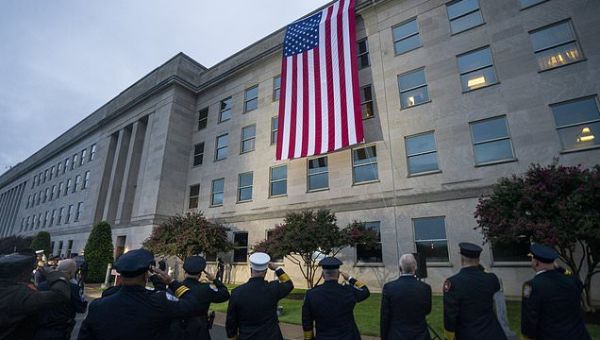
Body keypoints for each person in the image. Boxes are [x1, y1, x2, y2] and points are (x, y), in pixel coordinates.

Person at [77, 248, 203, 340]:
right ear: (145, 275)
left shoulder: (98, 306)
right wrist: (171, 282)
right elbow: (192, 305)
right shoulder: (159, 302)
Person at [521, 244, 591, 340]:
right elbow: (577, 282)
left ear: (536, 262)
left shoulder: (531, 286)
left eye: (532, 258)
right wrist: (560, 269)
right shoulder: (571, 280)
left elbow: (529, 319)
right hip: (578, 335)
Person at [0, 250, 71, 339]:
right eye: (29, 272)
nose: (30, 275)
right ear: (22, 274)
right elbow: (60, 295)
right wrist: (55, 274)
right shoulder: (20, 295)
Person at [443, 242, 506, 340]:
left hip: (468, 334)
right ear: (479, 259)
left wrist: (449, 336)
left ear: (461, 259)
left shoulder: (453, 283)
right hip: (494, 333)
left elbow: (450, 315)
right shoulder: (491, 278)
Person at [226, 252, 293, 340]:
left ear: (251, 269)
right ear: (266, 271)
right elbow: (289, 284)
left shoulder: (237, 292)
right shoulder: (273, 289)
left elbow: (231, 322)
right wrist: (277, 268)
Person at [302, 257, 370, 340]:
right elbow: (365, 291)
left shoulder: (311, 294)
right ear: (338, 275)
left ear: (323, 275)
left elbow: (307, 322)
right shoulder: (348, 291)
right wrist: (349, 278)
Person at [171, 255, 230, 340]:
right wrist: (215, 279)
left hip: (179, 331)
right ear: (200, 274)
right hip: (200, 331)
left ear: (185, 272)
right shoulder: (206, 288)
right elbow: (225, 294)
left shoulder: (175, 287)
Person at [380, 254, 431, 340]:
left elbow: (385, 316)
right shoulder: (425, 288)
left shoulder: (389, 288)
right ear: (415, 268)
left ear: (400, 268)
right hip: (420, 335)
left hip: (397, 335)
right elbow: (427, 310)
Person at [36, 259, 88, 339]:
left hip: (40, 330)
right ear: (71, 272)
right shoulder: (74, 288)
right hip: (61, 330)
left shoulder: (42, 286)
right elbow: (82, 308)